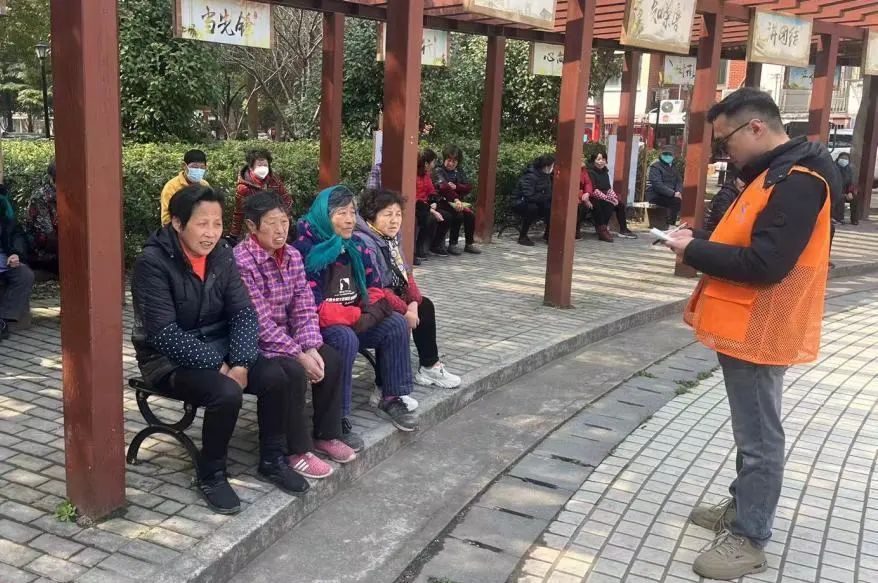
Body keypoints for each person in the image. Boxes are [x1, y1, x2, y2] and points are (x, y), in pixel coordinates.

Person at [664, 88, 838, 580]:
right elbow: (743, 241)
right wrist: (698, 240)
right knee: (751, 430)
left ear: (756, 128)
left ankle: (750, 537)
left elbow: (765, 264)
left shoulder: (798, 181)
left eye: (726, 141)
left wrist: (693, 252)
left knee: (760, 434)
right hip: (745, 324)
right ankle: (743, 507)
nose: (725, 153)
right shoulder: (774, 174)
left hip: (763, 327)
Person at [131, 185, 309, 514]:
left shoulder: (222, 255)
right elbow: (164, 334)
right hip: (166, 359)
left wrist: (240, 362)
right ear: (178, 223)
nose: (211, 233)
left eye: (217, 223)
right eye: (202, 224)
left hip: (220, 344)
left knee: (277, 374)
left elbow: (243, 313)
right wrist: (219, 366)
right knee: (226, 392)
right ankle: (211, 474)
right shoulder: (152, 264)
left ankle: (273, 459)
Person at [234, 191, 357, 476]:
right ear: (252, 226)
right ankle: (296, 450)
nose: (280, 230)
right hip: (256, 342)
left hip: (291, 339)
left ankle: (326, 435)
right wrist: (298, 355)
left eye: (284, 221)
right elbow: (258, 321)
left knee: (331, 358)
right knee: (292, 372)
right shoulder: (241, 261)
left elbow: (303, 304)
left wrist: (310, 346)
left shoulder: (291, 255)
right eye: (271, 223)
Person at [293, 186, 420, 434]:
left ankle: (391, 396)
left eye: (352, 212)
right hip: (318, 328)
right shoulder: (305, 251)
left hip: (357, 319)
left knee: (396, 323)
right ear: (324, 215)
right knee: (344, 337)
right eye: (341, 213)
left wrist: (369, 312)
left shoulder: (355, 245)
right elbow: (312, 307)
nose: (350, 219)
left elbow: (374, 287)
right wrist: (356, 316)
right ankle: (337, 415)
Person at [355, 188, 462, 400]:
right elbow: (376, 288)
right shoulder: (363, 241)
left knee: (425, 306)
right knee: (394, 321)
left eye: (398, 214)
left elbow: (405, 273)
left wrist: (413, 302)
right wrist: (405, 311)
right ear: (371, 216)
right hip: (369, 302)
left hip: (389, 295)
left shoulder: (391, 238)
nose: (394, 220)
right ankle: (384, 387)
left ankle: (429, 367)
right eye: (387, 214)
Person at [231, 148, 292, 240]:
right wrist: (234, 234)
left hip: (275, 223)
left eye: (265, 165)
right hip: (255, 227)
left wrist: (283, 219)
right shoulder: (243, 188)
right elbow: (239, 213)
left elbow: (287, 200)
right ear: (251, 167)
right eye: (259, 165)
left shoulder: (274, 180)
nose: (263, 168)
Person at [0, 183, 35, 339]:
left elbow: (17, 235)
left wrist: (15, 253)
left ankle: (4, 318)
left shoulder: (6, 215)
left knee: (24, 274)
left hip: (4, 259)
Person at [433, 145, 481, 255]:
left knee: (470, 215)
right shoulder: (439, 171)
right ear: (444, 159)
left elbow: (468, 187)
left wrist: (456, 187)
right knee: (458, 215)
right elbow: (443, 188)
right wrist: (455, 197)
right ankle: (452, 244)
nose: (451, 163)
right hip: (442, 202)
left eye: (454, 161)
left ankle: (469, 244)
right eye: (449, 160)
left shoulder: (459, 171)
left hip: (457, 203)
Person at [511, 154, 554, 246]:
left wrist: (545, 196)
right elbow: (529, 196)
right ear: (546, 166)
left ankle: (549, 235)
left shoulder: (546, 176)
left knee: (550, 207)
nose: (552, 168)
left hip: (537, 202)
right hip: (520, 202)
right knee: (532, 208)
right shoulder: (530, 176)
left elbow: (548, 193)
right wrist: (544, 195)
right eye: (552, 166)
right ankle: (523, 236)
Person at [26, 160, 59, 275]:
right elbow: (49, 236)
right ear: (53, 179)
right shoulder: (40, 197)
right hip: (43, 253)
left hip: (60, 246)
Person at [160, 149, 209, 226]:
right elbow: (166, 218)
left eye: (202, 167)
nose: (198, 170)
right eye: (194, 167)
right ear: (184, 166)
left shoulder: (205, 185)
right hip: (178, 230)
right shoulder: (171, 187)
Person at [416, 149, 448, 257]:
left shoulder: (426, 175)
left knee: (447, 216)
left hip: (427, 205)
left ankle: (435, 245)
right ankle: (418, 248)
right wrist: (432, 211)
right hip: (417, 206)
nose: (434, 165)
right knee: (429, 218)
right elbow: (415, 198)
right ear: (426, 163)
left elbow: (432, 191)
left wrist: (434, 202)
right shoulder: (414, 175)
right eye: (433, 162)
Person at [582, 151, 619, 243]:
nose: (601, 161)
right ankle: (602, 230)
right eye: (598, 159)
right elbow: (591, 187)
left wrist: (612, 197)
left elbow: (608, 187)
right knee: (598, 204)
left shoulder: (605, 172)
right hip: (591, 196)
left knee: (611, 204)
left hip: (601, 195)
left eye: (603, 159)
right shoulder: (589, 171)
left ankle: (603, 229)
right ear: (593, 160)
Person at [647, 145, 684, 225]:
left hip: (672, 194)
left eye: (670, 154)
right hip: (656, 195)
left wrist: (678, 191)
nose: (668, 156)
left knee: (686, 200)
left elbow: (679, 181)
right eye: (665, 154)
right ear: (661, 154)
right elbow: (657, 185)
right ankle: (670, 223)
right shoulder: (655, 166)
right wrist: (673, 193)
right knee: (675, 201)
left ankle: (672, 222)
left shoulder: (673, 166)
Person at [704, 166, 746, 234]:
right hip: (716, 232)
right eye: (742, 179)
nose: (744, 183)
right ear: (735, 180)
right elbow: (721, 217)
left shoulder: (741, 194)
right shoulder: (725, 195)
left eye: (746, 180)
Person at [834, 152, 859, 226]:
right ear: (838, 158)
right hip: (835, 191)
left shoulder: (849, 170)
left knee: (855, 198)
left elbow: (851, 183)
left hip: (845, 191)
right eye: (842, 158)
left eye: (846, 159)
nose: (844, 160)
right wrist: (843, 194)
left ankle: (854, 220)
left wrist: (850, 192)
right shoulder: (833, 168)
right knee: (841, 198)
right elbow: (832, 182)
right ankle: (838, 218)